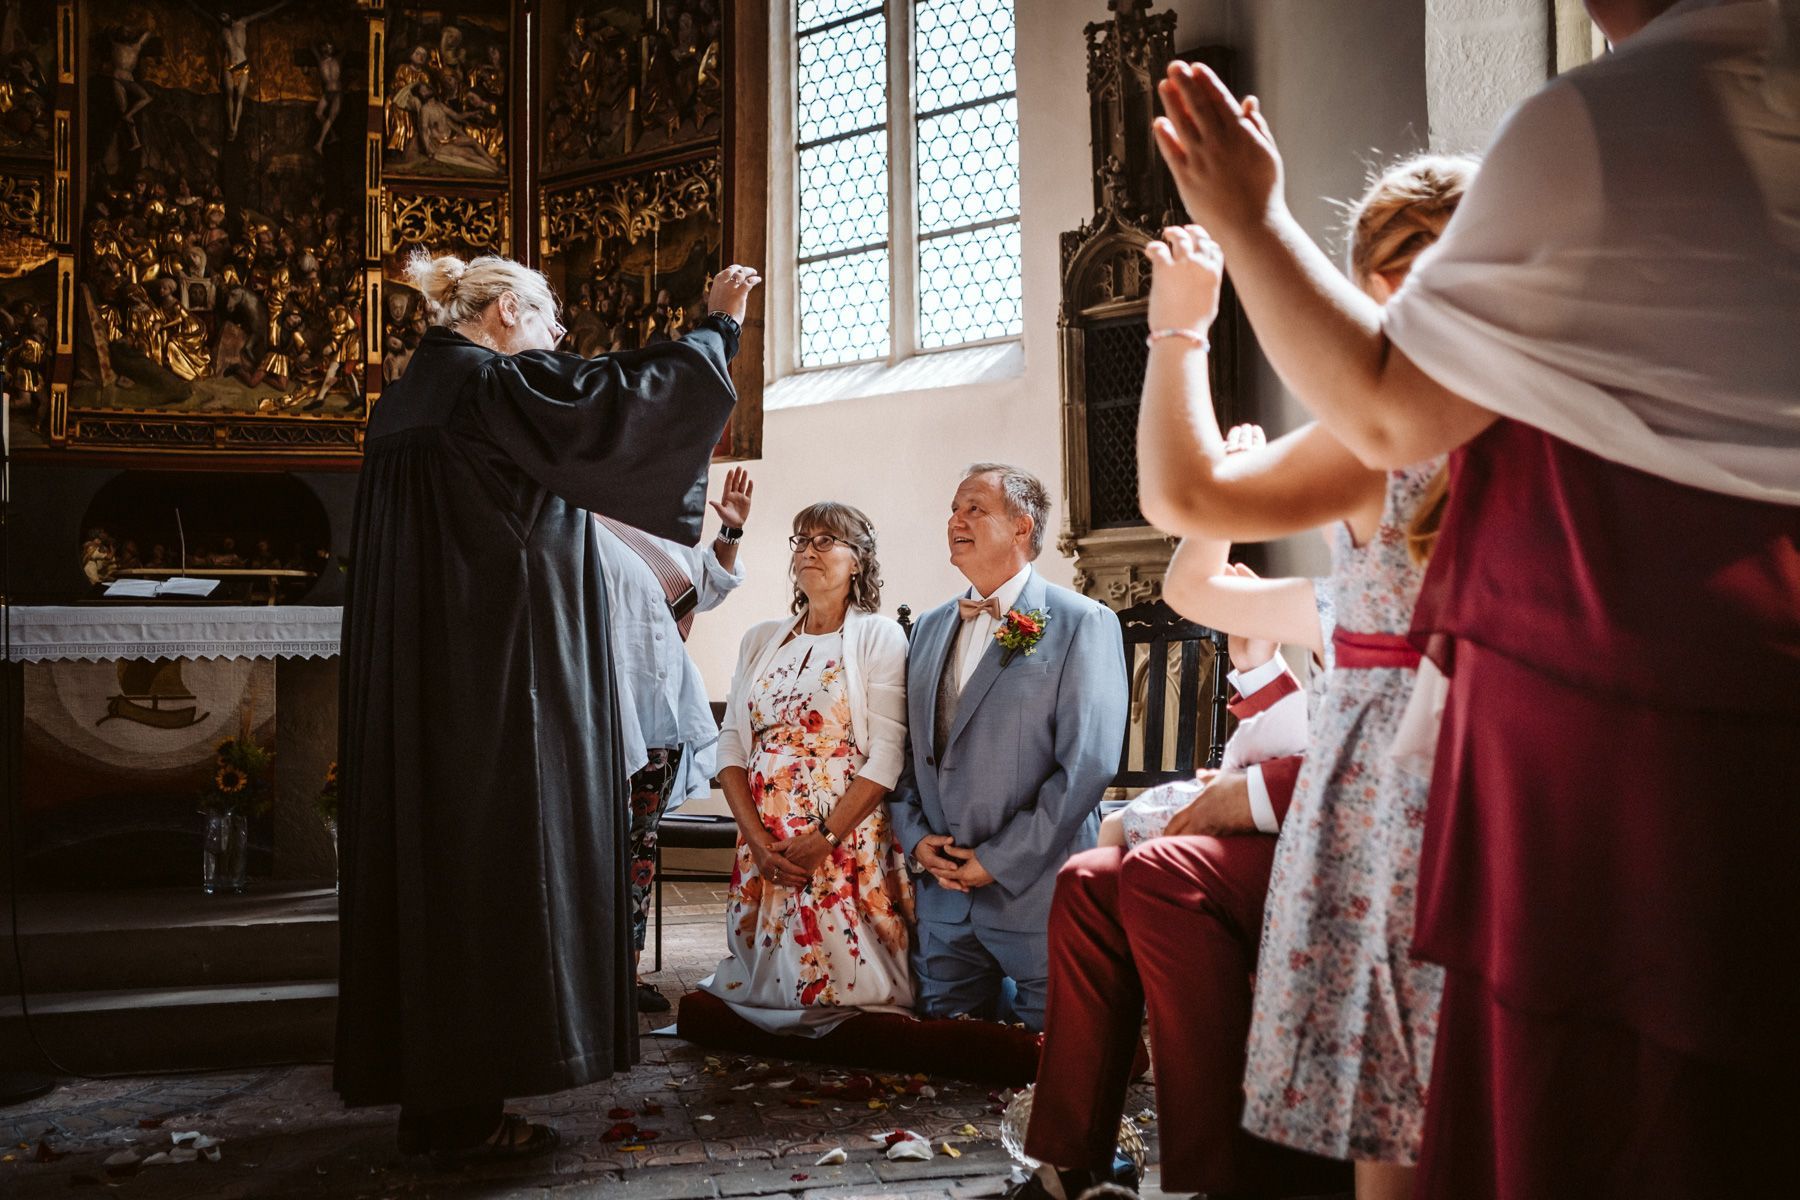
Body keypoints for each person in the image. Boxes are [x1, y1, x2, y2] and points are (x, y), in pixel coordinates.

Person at [1150, 2, 1800, 1194]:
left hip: (1574, 741)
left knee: (1568, 1115)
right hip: (1557, 736)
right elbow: (1199, 528)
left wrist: (1239, 234)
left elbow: (1359, 419)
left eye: (1425, 271)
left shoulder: (1609, 127)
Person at [335, 252, 761, 1164]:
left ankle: (440, 1104)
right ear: (498, 315)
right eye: (546, 316)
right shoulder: (491, 387)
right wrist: (716, 328)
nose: (559, 337)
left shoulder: (408, 400)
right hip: (495, 686)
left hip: (430, 689)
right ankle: (466, 1118)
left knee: (439, 882)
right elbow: (615, 402)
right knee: (492, 876)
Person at [888, 464, 1127, 1032]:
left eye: (975, 508)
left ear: (1022, 528)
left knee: (1052, 1063)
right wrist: (917, 839)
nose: (955, 520)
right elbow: (904, 754)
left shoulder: (1081, 623)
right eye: (953, 508)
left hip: (1039, 893)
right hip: (945, 901)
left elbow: (1086, 766)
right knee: (945, 1065)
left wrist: (996, 861)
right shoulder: (927, 627)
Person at [700, 503, 913, 1033]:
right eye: (801, 540)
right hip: (764, 830)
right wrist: (754, 838)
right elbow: (730, 747)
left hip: (841, 830)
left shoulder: (878, 637)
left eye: (826, 541)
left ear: (859, 560)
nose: (809, 551)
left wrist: (822, 838)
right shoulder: (760, 638)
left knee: (846, 982)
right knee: (766, 972)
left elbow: (886, 755)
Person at [598, 465, 754, 1014]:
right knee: (594, 851)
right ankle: (579, 976)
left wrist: (730, 532)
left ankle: (624, 974)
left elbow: (706, 588)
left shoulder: (656, 531)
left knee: (638, 849)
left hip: (662, 719)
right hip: (604, 716)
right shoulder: (576, 524)